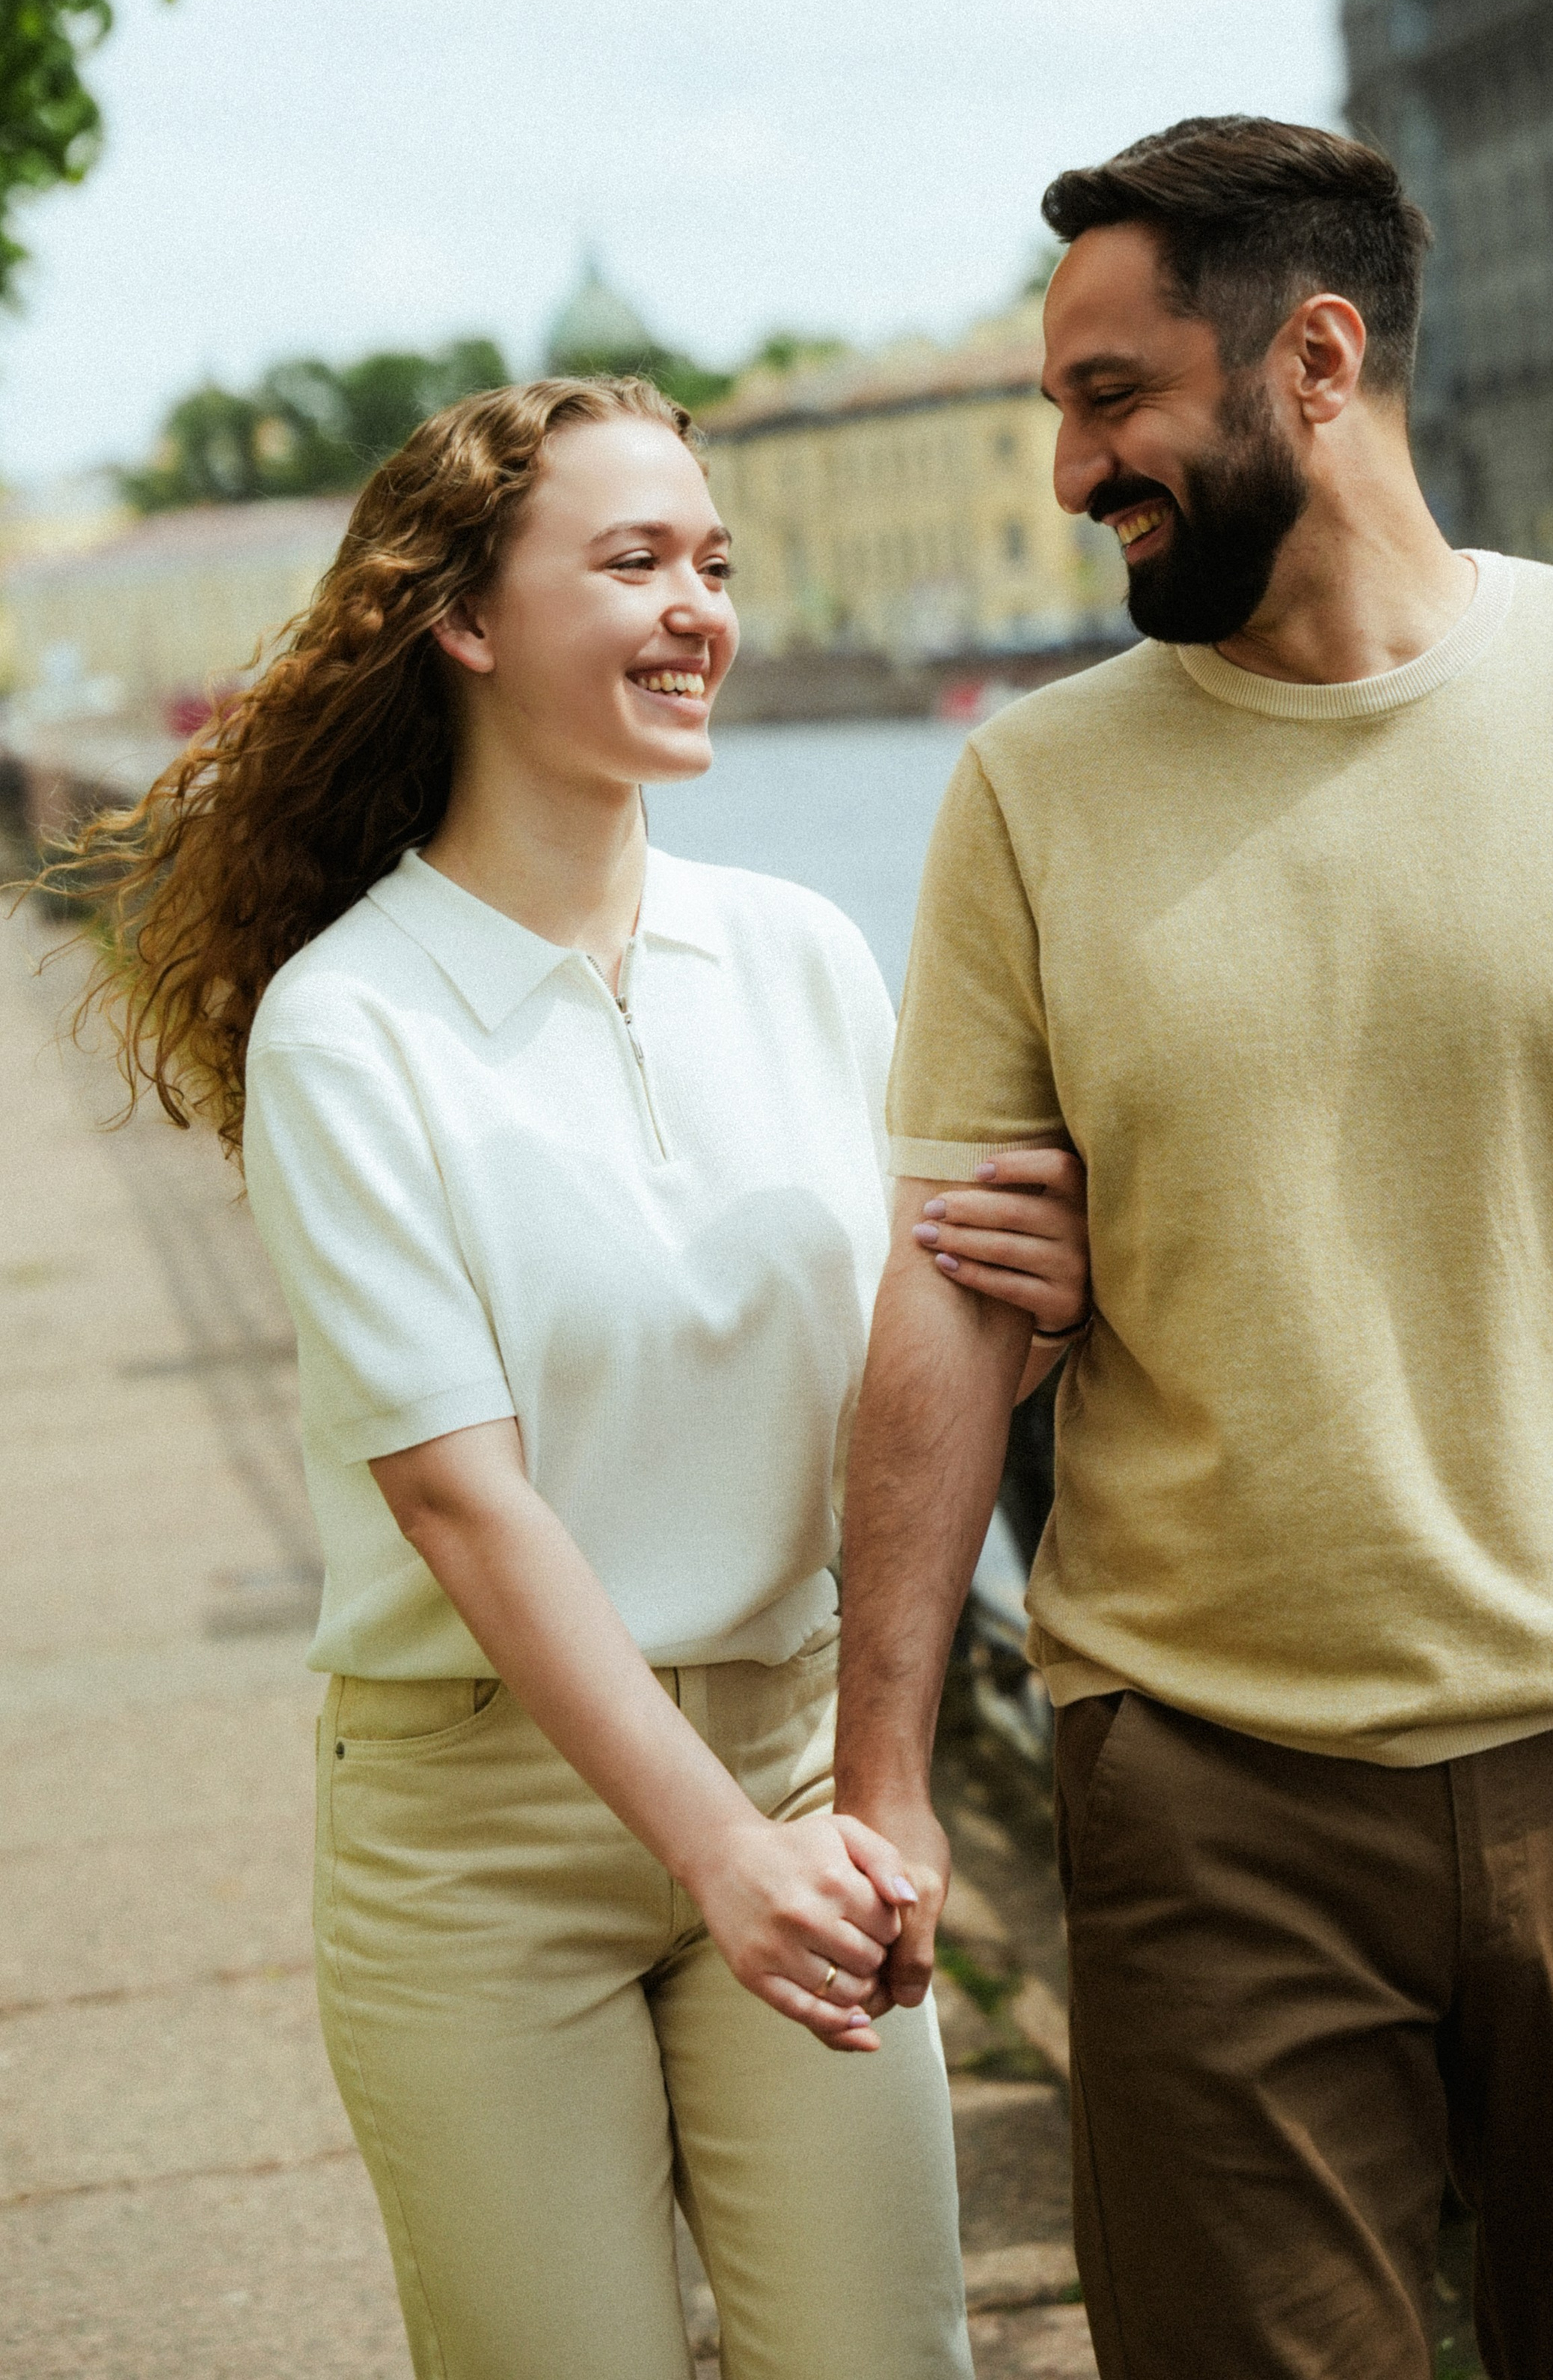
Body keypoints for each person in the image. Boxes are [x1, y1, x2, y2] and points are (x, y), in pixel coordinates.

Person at [832, 117, 1553, 2380]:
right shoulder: (1032, 790)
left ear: (1316, 358)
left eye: (1110, 399)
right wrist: (885, 1772)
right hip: (1212, 1790)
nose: (1069, 472)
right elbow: (947, 1294)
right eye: (1055, 411)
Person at [52, 373, 1092, 2380]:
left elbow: (902, 1363)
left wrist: (1027, 1320)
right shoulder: (352, 1025)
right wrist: (722, 1857)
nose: (700, 603)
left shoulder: (800, 954)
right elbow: (464, 1495)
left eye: (713, 560)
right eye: (633, 561)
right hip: (478, 1831)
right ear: (463, 616)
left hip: (799, 1755)